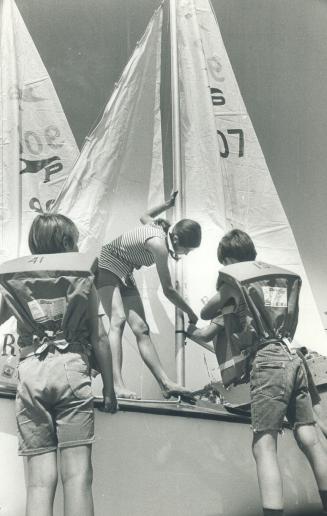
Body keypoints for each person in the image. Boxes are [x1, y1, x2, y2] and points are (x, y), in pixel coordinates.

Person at [188, 229, 327, 516]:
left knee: (263, 446)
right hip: (293, 357)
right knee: (310, 439)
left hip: (266, 361)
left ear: (227, 258)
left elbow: (205, 313)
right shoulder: (273, 281)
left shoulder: (232, 284)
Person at [0, 213, 117, 516]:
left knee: (38, 484)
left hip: (30, 372)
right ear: (67, 242)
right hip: (71, 369)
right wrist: (110, 390)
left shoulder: (14, 279)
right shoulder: (81, 276)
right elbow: (100, 337)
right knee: (77, 476)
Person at [97, 191, 201, 400]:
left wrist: (166, 204)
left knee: (142, 329)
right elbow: (168, 290)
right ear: (177, 238)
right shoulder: (158, 245)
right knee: (117, 320)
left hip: (125, 271)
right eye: (187, 250)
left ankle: (165, 384)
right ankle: (117, 384)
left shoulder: (158, 229)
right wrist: (191, 313)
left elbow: (144, 215)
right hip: (107, 264)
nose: (186, 254)